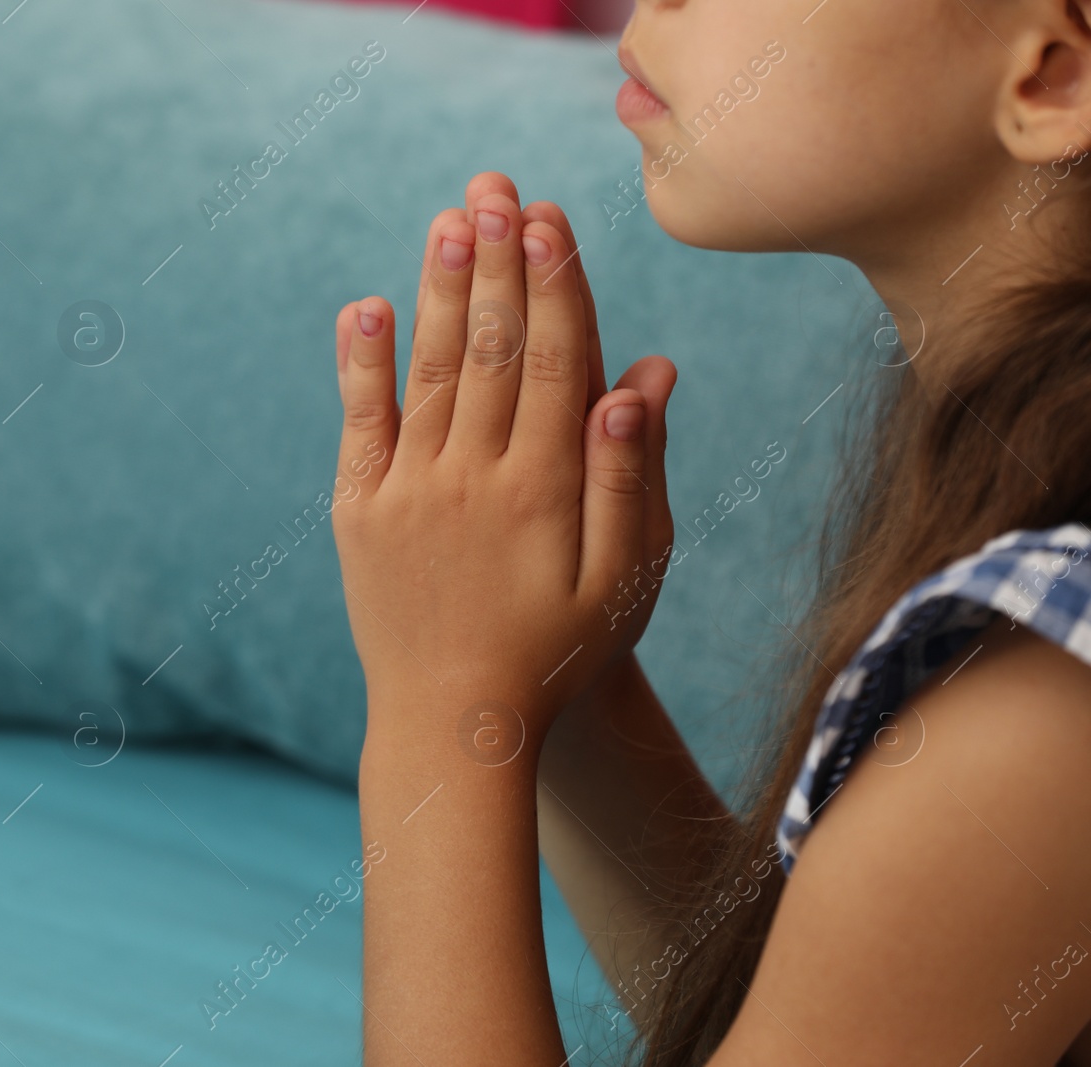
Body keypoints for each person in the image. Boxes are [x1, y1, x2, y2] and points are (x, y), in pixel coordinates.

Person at [328, 0, 1091, 1062]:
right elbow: (812, 1015)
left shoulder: (1041, 691)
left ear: (1052, 77)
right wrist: (561, 678)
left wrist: (440, 703)